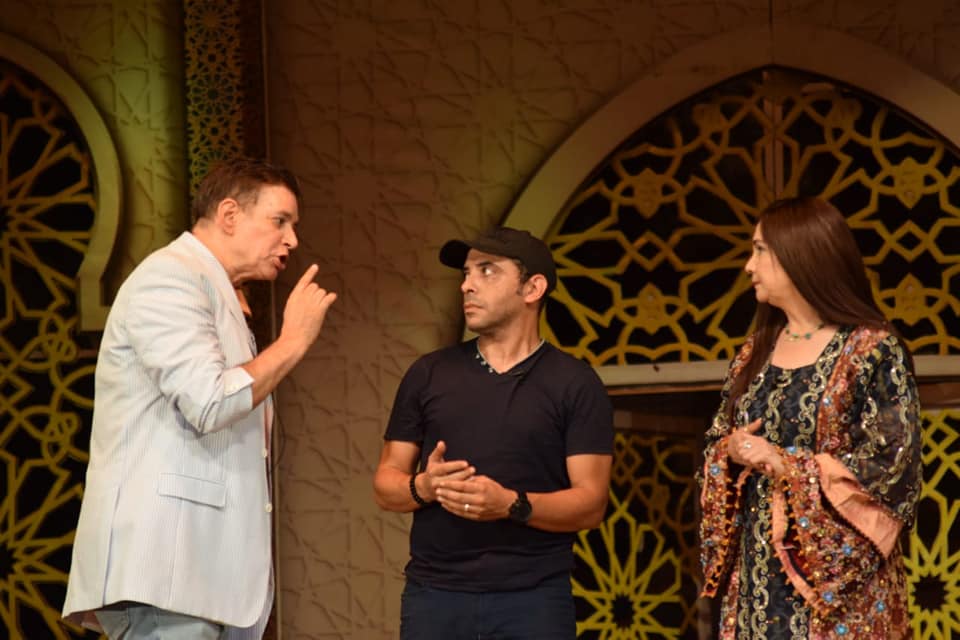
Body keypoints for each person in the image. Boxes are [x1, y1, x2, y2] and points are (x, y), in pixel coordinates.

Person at [62, 158, 337, 639]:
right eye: (280, 221)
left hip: (206, 576)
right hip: (167, 571)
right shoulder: (170, 278)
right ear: (229, 214)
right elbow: (210, 402)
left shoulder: (214, 289)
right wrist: (293, 341)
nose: (292, 240)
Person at [373, 226, 614, 639]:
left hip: (534, 601)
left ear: (533, 288)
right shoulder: (428, 374)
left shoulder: (575, 383)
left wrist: (510, 505)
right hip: (434, 597)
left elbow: (591, 504)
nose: (467, 285)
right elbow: (385, 484)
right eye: (466, 273)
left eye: (487, 271)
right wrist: (426, 486)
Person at [698, 197, 922, 639]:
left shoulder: (871, 350)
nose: (749, 266)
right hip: (756, 582)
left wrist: (786, 466)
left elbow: (893, 469)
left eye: (760, 250)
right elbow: (716, 441)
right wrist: (730, 450)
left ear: (799, 254)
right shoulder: (754, 352)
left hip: (841, 592)